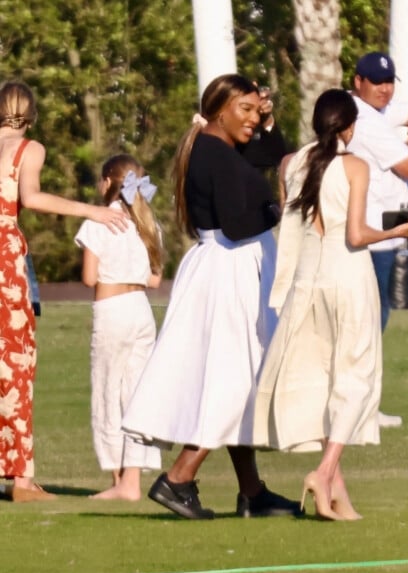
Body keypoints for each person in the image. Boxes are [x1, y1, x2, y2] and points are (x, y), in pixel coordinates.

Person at [122, 74, 301, 520]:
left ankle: (252, 492)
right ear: (219, 109)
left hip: (229, 267)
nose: (252, 119)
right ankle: (179, 478)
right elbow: (239, 224)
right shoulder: (214, 154)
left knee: (244, 375)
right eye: (244, 109)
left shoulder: (217, 145)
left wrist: (269, 116)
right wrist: (286, 207)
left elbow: (272, 153)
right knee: (237, 380)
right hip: (230, 270)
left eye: (255, 110)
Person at [253, 89, 408, 520]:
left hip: (306, 281)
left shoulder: (292, 164)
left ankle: (337, 491)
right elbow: (357, 236)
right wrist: (399, 230)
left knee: (328, 377)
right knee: (356, 375)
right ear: (349, 127)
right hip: (347, 277)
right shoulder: (354, 166)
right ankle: (324, 472)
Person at [0, 80, 126, 502]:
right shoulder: (28, 149)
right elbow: (31, 198)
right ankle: (21, 479)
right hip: (4, 258)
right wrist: (91, 210)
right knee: (15, 364)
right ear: (31, 113)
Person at [348, 51, 408, 428]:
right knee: (366, 323)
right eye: (375, 82)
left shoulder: (380, 110)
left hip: (385, 228)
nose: (384, 89)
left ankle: (364, 404)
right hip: (368, 232)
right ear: (358, 83)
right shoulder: (363, 121)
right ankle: (358, 407)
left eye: (388, 81)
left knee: (376, 319)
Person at [74, 154, 163, 501]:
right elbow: (154, 279)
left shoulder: (99, 222)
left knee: (108, 392)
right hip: (141, 310)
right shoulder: (147, 223)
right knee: (136, 393)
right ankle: (133, 480)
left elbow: (89, 277)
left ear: (107, 182)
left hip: (112, 311)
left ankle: (117, 480)